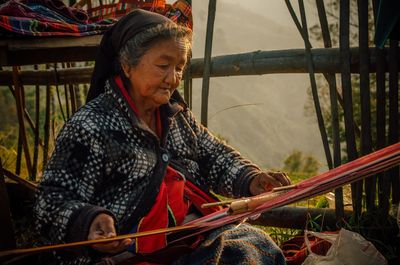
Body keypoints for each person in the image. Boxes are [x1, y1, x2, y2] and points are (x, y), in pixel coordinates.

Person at [34, 9, 291, 265]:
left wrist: (252, 179)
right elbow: (51, 201)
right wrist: (88, 221)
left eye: (179, 68)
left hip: (193, 235)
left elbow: (214, 156)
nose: (173, 78)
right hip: (129, 254)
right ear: (127, 65)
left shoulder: (175, 116)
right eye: (163, 66)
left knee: (254, 247)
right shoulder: (91, 125)